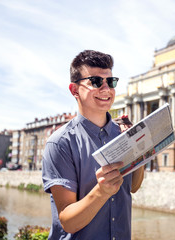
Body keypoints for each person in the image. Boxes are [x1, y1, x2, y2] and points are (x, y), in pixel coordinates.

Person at [42, 50, 144, 239]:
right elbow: (67, 222)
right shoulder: (59, 143)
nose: (106, 89)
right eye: (96, 82)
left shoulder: (123, 133)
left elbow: (133, 187)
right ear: (74, 90)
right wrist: (101, 192)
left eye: (111, 82)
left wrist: (141, 151)